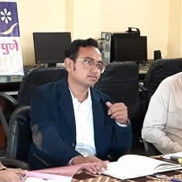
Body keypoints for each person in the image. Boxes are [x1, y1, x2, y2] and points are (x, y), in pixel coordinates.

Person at [29, 38, 132, 170]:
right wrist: (76, 160)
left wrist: (122, 123)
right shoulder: (46, 95)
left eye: (99, 65)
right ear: (69, 65)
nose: (95, 70)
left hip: (96, 168)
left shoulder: (104, 101)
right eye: (88, 62)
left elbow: (119, 152)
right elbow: (45, 137)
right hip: (56, 168)